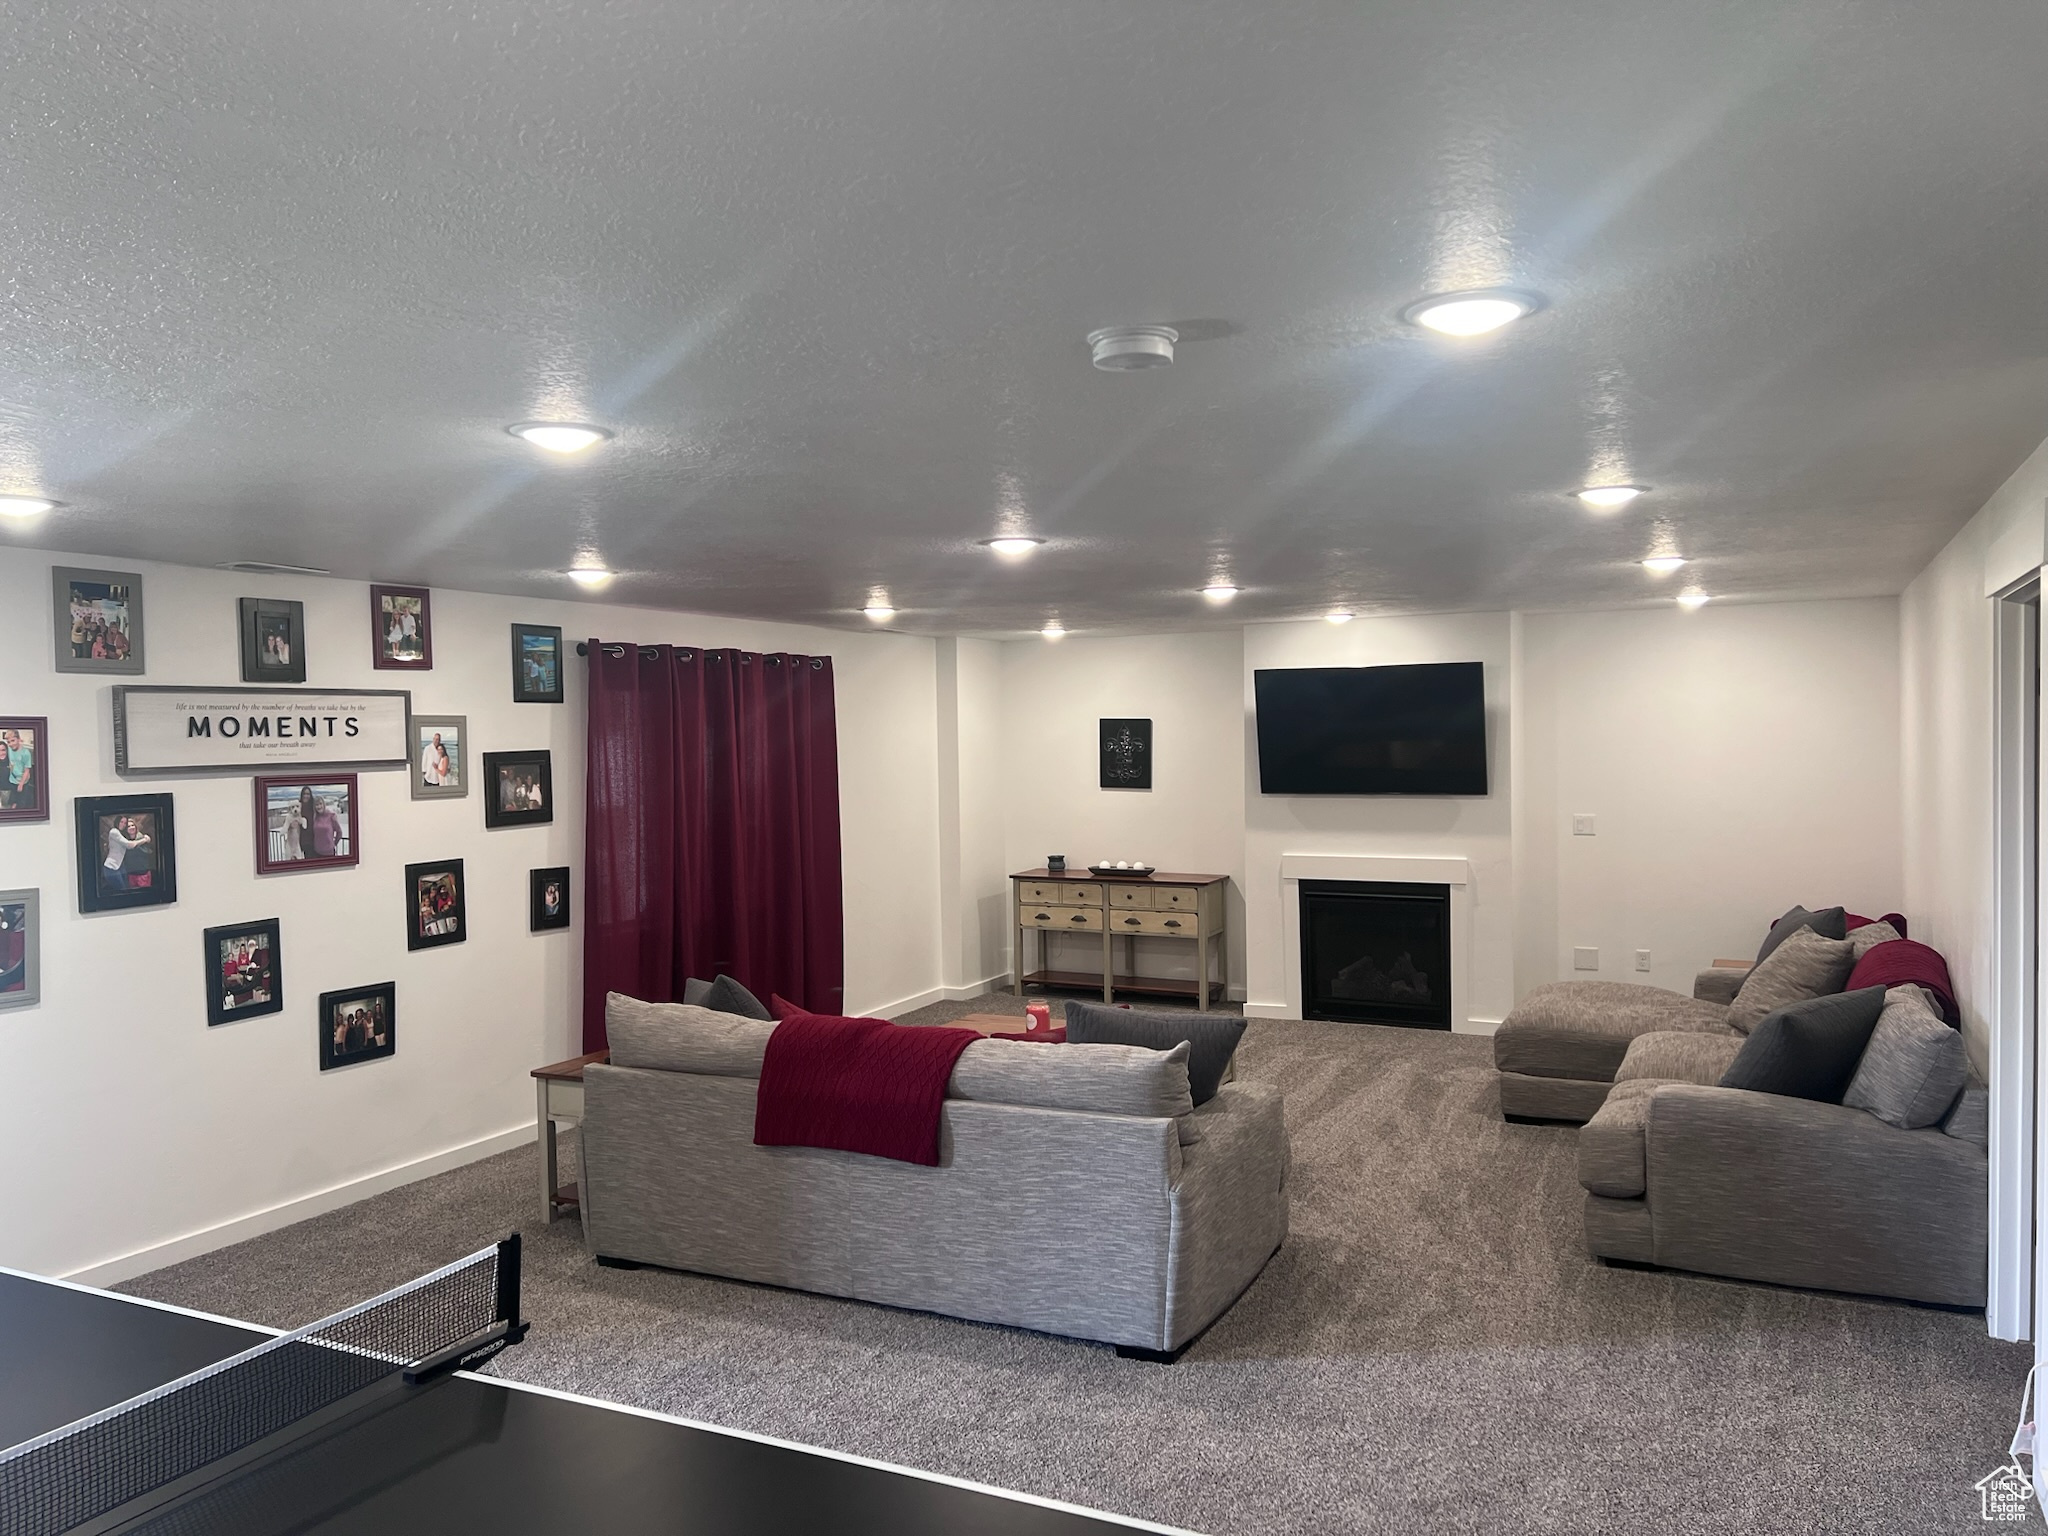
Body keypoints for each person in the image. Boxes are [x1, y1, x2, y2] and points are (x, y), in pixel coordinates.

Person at [102, 815, 150, 892]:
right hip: (112, 867)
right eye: (121, 822)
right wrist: (145, 840)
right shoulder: (114, 832)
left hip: (124, 867)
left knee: (127, 889)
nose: (123, 824)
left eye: (125, 823)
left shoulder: (127, 836)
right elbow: (129, 845)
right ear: (117, 822)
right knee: (123, 891)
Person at [1, 729, 31, 811]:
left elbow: (27, 770)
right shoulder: (9, 749)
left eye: (13, 740)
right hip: (12, 780)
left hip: (23, 781)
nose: (11, 744)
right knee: (13, 801)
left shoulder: (25, 753)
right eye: (9, 742)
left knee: (21, 803)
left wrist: (21, 783)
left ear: (18, 739)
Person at [296, 787, 317, 859]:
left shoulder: (313, 806)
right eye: (304, 794)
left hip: (314, 838)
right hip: (303, 839)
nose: (306, 796)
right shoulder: (298, 807)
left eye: (308, 794)